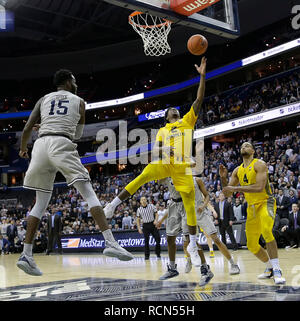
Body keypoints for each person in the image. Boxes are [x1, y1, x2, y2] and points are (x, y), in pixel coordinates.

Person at [17, 69, 134, 276]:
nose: (76, 82)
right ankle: (110, 243)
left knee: (40, 204)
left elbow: (27, 127)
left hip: (40, 145)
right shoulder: (79, 101)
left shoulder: (44, 99)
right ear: (69, 82)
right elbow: (77, 134)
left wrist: (23, 148)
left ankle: (26, 254)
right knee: (89, 194)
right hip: (61, 142)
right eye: (74, 80)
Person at [104, 57, 207, 267]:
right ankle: (112, 205)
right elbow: (156, 148)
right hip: (166, 163)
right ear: (167, 117)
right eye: (170, 110)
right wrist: (164, 148)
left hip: (182, 166)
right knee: (143, 176)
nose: (173, 110)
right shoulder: (162, 130)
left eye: (175, 109)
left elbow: (198, 100)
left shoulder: (187, 121)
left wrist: (202, 77)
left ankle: (193, 247)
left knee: (189, 204)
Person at [220, 142, 286, 284]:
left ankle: (277, 269)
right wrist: (223, 178)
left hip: (265, 202)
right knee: (251, 245)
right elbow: (227, 192)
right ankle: (268, 267)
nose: (244, 147)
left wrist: (237, 188)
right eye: (242, 146)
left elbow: (259, 187)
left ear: (253, 151)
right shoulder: (237, 170)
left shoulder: (259, 164)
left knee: (267, 231)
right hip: (251, 207)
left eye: (247, 145)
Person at [156, 178, 214, 286]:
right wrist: (161, 220)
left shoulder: (183, 168)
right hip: (173, 204)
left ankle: (206, 270)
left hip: (186, 203)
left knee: (190, 240)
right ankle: (172, 268)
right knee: (170, 238)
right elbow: (158, 181)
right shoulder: (168, 172)